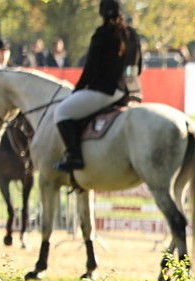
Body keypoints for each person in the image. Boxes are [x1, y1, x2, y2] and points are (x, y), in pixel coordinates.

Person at [53, 0, 143, 173]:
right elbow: (139, 67)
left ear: (101, 13)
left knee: (61, 112)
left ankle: (74, 156)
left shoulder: (102, 34)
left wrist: (76, 91)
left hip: (107, 91)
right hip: (132, 91)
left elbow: (90, 70)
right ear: (121, 13)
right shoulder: (132, 34)